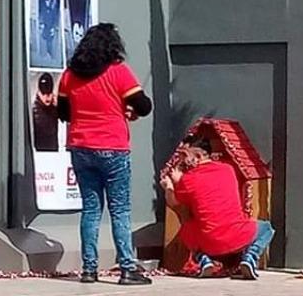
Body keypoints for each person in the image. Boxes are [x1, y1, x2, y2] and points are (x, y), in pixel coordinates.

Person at [57, 23, 153, 285]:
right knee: (119, 209)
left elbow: (63, 113)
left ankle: (89, 269)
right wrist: (124, 108)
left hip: (80, 147)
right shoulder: (118, 72)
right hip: (113, 147)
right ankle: (126, 268)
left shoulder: (69, 75)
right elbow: (144, 106)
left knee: (90, 208)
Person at [160, 135, 275, 280]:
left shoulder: (188, 179)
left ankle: (203, 260)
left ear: (198, 156)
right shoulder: (228, 169)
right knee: (266, 227)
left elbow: (173, 202)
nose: (182, 159)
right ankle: (250, 257)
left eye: (185, 155)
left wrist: (170, 186)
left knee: (186, 228)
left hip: (209, 242)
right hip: (238, 236)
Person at [32, 73, 59, 152]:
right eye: (43, 93)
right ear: (39, 93)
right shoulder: (33, 110)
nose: (47, 97)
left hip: (53, 152)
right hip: (38, 152)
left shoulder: (55, 108)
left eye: (49, 93)